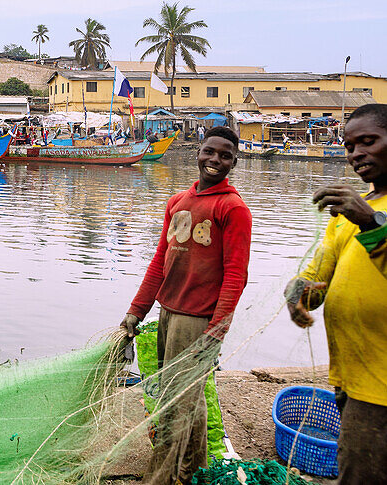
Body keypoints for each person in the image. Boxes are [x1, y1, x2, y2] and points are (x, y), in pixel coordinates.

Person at [119, 126, 252, 485]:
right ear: (199, 152)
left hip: (198, 321)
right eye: (210, 152)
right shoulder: (178, 202)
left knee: (176, 406)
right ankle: (192, 472)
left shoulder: (233, 208)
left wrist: (217, 330)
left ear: (234, 162)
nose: (215, 160)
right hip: (168, 312)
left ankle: (159, 479)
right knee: (185, 401)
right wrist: (136, 311)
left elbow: (235, 275)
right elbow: (160, 261)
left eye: (225, 156)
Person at [285, 103, 387, 484]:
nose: (356, 153)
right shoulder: (350, 213)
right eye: (349, 145)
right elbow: (316, 277)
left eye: (368, 141)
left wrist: (369, 221)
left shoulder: (363, 213)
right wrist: (296, 293)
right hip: (352, 380)